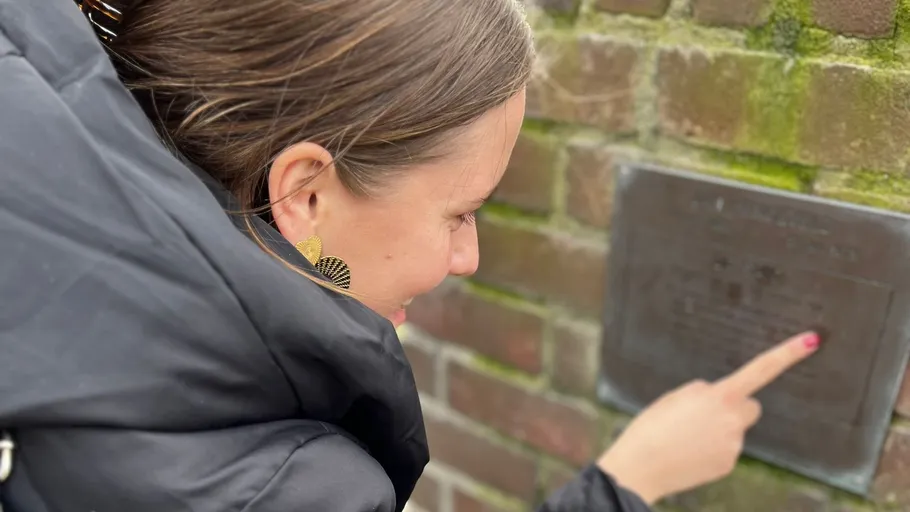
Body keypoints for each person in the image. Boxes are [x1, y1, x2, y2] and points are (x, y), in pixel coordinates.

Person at [0, 0, 821, 511]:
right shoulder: (267, 486)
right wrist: (623, 484)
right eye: (460, 213)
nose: (469, 256)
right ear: (307, 195)